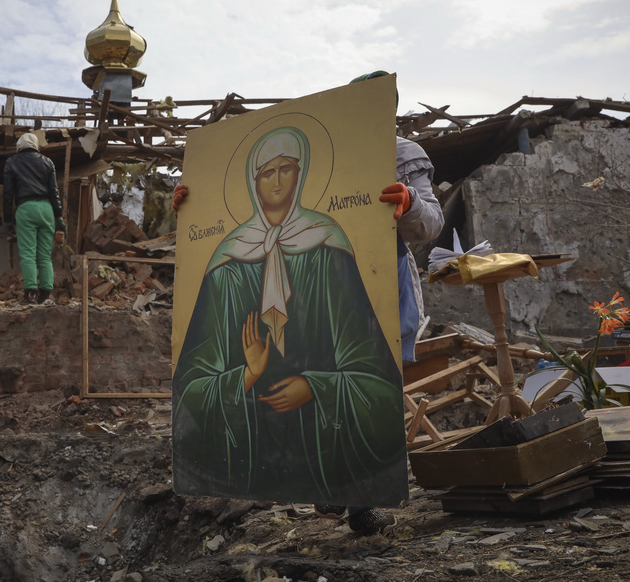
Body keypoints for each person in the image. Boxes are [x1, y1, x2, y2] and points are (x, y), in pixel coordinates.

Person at [172, 72, 445, 535]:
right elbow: (199, 364)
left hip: (370, 285)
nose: (277, 182)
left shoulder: (399, 154)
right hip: (267, 326)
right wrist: (191, 207)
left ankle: (357, 500)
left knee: (368, 377)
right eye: (266, 172)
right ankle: (299, 485)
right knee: (273, 389)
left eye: (288, 170)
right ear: (251, 180)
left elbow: (430, 224)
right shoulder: (232, 257)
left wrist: (411, 202)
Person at [3, 133, 66, 305]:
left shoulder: (12, 162)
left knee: (28, 254)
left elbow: (8, 193)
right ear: (36, 145)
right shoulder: (47, 162)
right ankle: (45, 295)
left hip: (26, 208)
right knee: (45, 256)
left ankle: (30, 294)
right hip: (46, 210)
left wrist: (7, 219)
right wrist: (59, 217)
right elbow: (54, 192)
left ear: (19, 146)